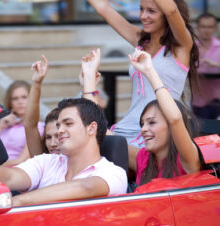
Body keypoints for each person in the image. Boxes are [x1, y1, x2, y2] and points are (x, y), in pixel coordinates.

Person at [0, 97, 127, 206]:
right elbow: (10, 176)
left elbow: (86, 187)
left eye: (68, 124)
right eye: (59, 125)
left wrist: (14, 201)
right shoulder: (46, 162)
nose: (60, 130)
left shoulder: (113, 173)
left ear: (91, 128)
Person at [87, 0, 199, 146]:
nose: (143, 16)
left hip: (156, 133)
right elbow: (103, 7)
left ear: (165, 15)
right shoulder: (141, 40)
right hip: (125, 128)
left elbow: (171, 10)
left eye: (151, 11)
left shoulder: (181, 45)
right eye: (141, 9)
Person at [127, 49, 201, 186]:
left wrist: (149, 71)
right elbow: (101, 134)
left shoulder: (186, 159)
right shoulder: (143, 158)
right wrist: (89, 81)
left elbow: (175, 119)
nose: (143, 129)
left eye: (152, 122)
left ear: (171, 128)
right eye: (142, 124)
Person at [0, 80, 44, 166]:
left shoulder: (37, 127)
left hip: (15, 170)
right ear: (10, 102)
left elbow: (22, 160)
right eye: (15, 98)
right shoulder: (5, 125)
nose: (20, 102)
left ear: (32, 99)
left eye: (24, 97)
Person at [24, 55, 60, 156]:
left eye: (58, 136)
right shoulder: (43, 161)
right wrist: (36, 83)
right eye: (48, 137)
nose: (53, 144)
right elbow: (29, 125)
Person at [192, 13, 220, 119]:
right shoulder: (191, 47)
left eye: (210, 27)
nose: (206, 30)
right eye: (203, 26)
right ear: (197, 27)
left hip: (217, 101)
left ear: (215, 28)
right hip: (196, 101)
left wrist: (216, 65)